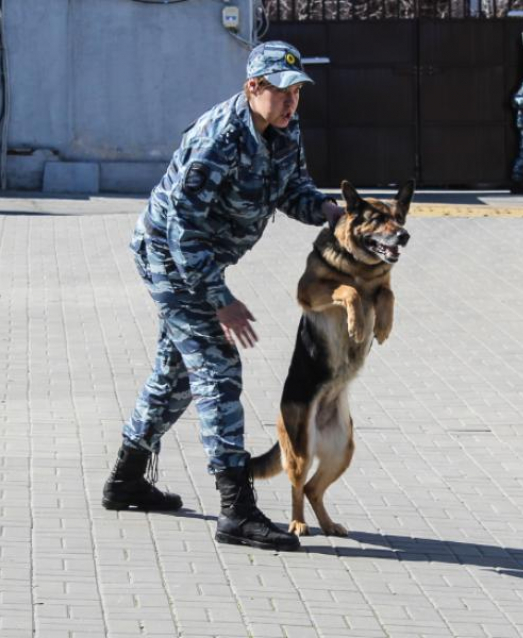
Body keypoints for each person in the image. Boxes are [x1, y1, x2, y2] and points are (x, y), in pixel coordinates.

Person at [101, 41, 345, 552]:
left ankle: (126, 479)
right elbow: (181, 232)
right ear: (253, 87)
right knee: (218, 366)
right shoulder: (217, 140)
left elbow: (291, 188)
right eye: (281, 92)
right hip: (170, 259)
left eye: (297, 92)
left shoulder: (283, 130)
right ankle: (236, 508)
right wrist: (220, 300)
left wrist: (328, 213)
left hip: (201, 260)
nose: (291, 102)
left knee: (176, 376)